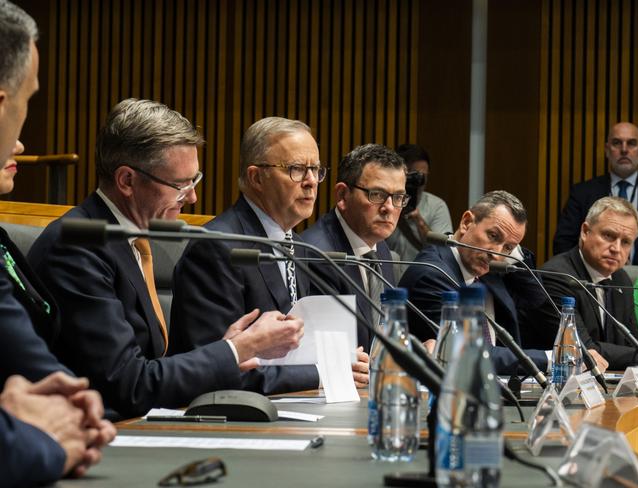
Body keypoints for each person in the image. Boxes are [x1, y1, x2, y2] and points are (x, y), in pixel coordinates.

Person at [28, 100, 307, 418]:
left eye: (194, 179)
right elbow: (129, 385)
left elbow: (152, 367)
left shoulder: (123, 238)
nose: (192, 197)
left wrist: (227, 347)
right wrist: (237, 350)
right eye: (180, 184)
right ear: (127, 181)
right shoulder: (76, 247)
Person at [0, 1, 114, 483]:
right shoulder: (79, 240)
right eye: (28, 101)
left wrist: (62, 405)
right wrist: (40, 440)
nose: (22, 142)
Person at [171, 117, 369, 388]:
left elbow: (298, 348)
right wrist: (324, 373)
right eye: (297, 169)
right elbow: (217, 368)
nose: (311, 182)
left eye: (315, 169)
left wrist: (347, 363)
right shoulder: (217, 247)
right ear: (256, 178)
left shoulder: (297, 246)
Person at [399, 190, 608, 375]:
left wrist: (510, 246)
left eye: (508, 247)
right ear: (466, 223)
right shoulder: (433, 274)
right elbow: (469, 352)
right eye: (493, 235)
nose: (497, 255)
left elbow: (537, 300)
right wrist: (554, 359)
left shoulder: (486, 266)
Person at [302, 143, 407, 353]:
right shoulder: (318, 254)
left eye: (398, 197)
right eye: (377, 194)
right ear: (342, 196)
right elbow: (327, 351)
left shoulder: (381, 249)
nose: (389, 208)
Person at [530, 196, 638, 370]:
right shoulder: (556, 276)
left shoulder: (621, 279)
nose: (616, 248)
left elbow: (637, 345)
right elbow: (583, 351)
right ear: (585, 232)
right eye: (608, 235)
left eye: (626, 242)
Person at [553, 122, 638, 265]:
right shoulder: (583, 192)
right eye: (617, 143)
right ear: (606, 149)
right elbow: (563, 243)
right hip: (594, 278)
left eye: (631, 143)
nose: (624, 149)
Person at [386, 144, 452, 262]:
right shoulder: (385, 203)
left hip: (421, 276)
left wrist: (419, 221)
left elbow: (443, 251)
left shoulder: (437, 206)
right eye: (414, 175)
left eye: (424, 176)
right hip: (388, 275)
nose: (420, 181)